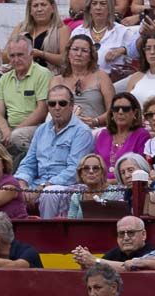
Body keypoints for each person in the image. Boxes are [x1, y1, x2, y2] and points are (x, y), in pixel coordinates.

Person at [12, 85, 94, 218]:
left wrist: (44, 187)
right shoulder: (41, 130)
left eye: (62, 103)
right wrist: (22, 183)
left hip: (66, 185)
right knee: (9, 190)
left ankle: (48, 234)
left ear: (71, 106)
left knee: (50, 194)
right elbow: (29, 162)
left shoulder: (82, 131)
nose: (57, 107)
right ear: (48, 107)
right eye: (52, 103)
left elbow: (75, 169)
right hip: (39, 183)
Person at [0, 35, 50, 159]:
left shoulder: (43, 74)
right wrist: (6, 131)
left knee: (17, 136)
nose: (16, 59)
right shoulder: (4, 78)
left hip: (34, 128)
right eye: (12, 56)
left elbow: (42, 110)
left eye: (20, 55)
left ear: (31, 54)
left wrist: (15, 131)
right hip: (9, 128)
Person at [71, 214, 153, 271]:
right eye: (121, 234)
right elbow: (98, 269)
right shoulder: (115, 253)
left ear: (143, 235)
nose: (126, 238)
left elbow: (129, 268)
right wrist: (85, 263)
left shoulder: (153, 253)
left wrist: (95, 261)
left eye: (131, 233)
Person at [95, 92, 147, 180]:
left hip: (126, 185)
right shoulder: (103, 134)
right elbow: (96, 164)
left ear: (135, 112)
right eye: (116, 109)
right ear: (112, 113)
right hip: (100, 185)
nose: (120, 112)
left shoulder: (142, 135)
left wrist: (110, 182)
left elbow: (141, 169)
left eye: (126, 109)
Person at [7, 0, 70, 74]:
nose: (39, 9)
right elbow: (5, 55)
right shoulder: (20, 28)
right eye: (35, 6)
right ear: (30, 10)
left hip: (50, 75)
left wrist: (41, 54)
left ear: (52, 8)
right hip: (20, 74)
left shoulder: (62, 29)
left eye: (43, 5)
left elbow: (65, 59)